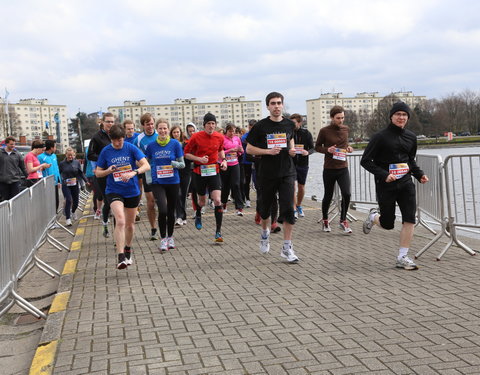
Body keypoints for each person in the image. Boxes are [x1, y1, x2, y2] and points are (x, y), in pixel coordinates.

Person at [361, 102, 429, 270]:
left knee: (409, 219)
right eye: (398, 114)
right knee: (388, 224)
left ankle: (402, 257)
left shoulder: (411, 137)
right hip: (386, 184)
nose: (401, 117)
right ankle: (373, 217)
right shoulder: (380, 137)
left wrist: (419, 174)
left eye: (404, 115)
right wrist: (384, 175)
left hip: (406, 183)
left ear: (408, 118)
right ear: (391, 116)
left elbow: (410, 160)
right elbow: (365, 161)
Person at [246, 92, 299, 263]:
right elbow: (249, 150)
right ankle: (264, 233)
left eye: (279, 103)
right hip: (267, 173)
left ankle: (287, 247)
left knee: (289, 210)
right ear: (268, 106)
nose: (276, 106)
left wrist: (291, 150)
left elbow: (290, 139)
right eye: (273, 103)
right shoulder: (261, 127)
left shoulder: (289, 124)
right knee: (265, 210)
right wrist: (267, 151)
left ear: (282, 105)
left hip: (286, 172)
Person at [96, 124, 150, 270]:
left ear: (123, 138)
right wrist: (108, 170)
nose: (117, 143)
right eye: (114, 141)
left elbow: (146, 165)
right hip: (114, 190)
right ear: (111, 139)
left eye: (120, 140)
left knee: (130, 225)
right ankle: (120, 256)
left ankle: (127, 249)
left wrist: (134, 172)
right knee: (120, 220)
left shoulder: (131, 148)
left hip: (132, 191)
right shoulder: (106, 151)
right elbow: (97, 172)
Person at [184, 113, 227, 242]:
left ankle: (218, 232)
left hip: (214, 171)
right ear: (204, 125)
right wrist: (199, 159)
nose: (211, 126)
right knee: (201, 202)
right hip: (199, 172)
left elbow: (220, 150)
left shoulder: (219, 137)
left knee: (217, 200)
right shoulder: (196, 137)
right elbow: (186, 154)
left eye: (213, 123)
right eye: (208, 124)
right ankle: (198, 214)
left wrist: (224, 160)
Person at [145, 119, 185, 251]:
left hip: (173, 181)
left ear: (168, 130)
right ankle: (162, 239)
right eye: (160, 129)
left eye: (165, 128)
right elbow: (146, 164)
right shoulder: (151, 146)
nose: (162, 131)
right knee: (162, 210)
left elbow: (182, 164)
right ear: (157, 130)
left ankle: (170, 237)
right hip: (158, 182)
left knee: (171, 211)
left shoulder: (175, 144)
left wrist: (174, 164)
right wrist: (149, 178)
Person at [315, 106, 354, 233]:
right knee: (328, 195)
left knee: (347, 193)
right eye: (338, 118)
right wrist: (327, 150)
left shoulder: (346, 129)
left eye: (342, 117)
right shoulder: (324, 131)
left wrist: (349, 147)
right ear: (332, 118)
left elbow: (345, 144)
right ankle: (325, 220)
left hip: (343, 167)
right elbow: (317, 147)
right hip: (329, 168)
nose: (341, 120)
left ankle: (343, 220)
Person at [88, 114, 114, 237]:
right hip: (103, 172)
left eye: (112, 121)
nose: (110, 124)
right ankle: (105, 223)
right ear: (102, 122)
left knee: (116, 199)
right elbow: (90, 155)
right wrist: (104, 159)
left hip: (116, 172)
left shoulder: (116, 134)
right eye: (108, 121)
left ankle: (118, 230)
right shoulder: (96, 137)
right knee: (107, 199)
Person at [134, 113, 159, 240]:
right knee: (150, 202)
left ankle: (164, 226)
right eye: (147, 124)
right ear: (143, 125)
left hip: (161, 172)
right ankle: (153, 228)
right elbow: (135, 158)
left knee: (162, 202)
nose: (150, 126)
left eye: (152, 123)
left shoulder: (160, 135)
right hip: (148, 173)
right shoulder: (138, 139)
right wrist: (143, 164)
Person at [290, 113, 314, 219]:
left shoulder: (306, 133)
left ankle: (299, 205)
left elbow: (313, 148)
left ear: (299, 123)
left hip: (303, 163)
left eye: (294, 123)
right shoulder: (288, 133)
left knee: (301, 186)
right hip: (291, 163)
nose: (292, 125)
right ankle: (294, 208)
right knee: (292, 186)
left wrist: (307, 152)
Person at [59, 148, 87, 226]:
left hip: (75, 184)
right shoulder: (62, 163)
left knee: (76, 202)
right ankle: (68, 218)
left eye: (71, 155)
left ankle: (73, 211)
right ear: (66, 155)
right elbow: (59, 173)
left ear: (74, 155)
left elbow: (81, 173)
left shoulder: (76, 162)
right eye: (69, 155)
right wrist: (59, 181)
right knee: (68, 200)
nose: (70, 156)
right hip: (66, 184)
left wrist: (86, 181)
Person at [221, 123, 244, 216]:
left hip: (235, 164)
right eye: (230, 131)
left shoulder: (237, 138)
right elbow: (220, 151)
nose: (232, 133)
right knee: (225, 186)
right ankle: (224, 203)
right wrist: (229, 151)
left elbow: (242, 151)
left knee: (236, 184)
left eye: (233, 131)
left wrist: (239, 150)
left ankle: (239, 207)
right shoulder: (222, 139)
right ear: (226, 131)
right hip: (225, 164)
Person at [170, 125, 190, 226]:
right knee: (177, 194)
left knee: (183, 195)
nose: (176, 134)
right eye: (174, 132)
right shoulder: (170, 145)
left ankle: (183, 216)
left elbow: (188, 156)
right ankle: (178, 217)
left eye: (177, 132)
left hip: (185, 172)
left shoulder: (185, 144)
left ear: (181, 133)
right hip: (174, 172)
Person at [0, 136, 28, 201]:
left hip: (15, 181)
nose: (13, 146)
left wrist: (28, 177)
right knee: (4, 201)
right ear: (6, 144)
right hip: (3, 181)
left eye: (14, 144)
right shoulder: (1, 153)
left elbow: (23, 167)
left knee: (15, 200)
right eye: (11, 144)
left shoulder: (17, 154)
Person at [38, 140, 62, 213]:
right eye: (55, 147)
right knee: (49, 201)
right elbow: (39, 170)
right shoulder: (40, 157)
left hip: (55, 182)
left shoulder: (54, 156)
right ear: (51, 148)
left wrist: (59, 180)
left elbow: (57, 168)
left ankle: (55, 216)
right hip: (47, 182)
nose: (55, 148)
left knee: (56, 200)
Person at [240, 120, 256, 209]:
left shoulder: (259, 135)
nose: (251, 128)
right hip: (246, 162)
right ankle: (247, 199)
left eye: (253, 126)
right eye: (250, 126)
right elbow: (244, 140)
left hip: (257, 161)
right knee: (246, 181)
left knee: (258, 181)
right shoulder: (246, 136)